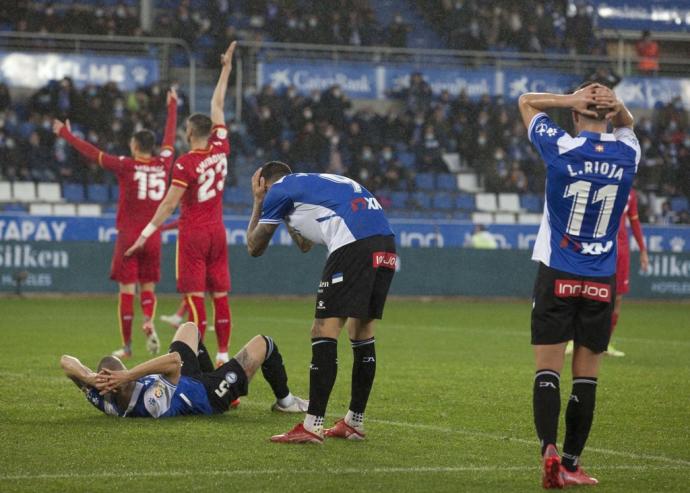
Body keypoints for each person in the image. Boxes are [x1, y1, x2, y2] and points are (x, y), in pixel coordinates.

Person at [518, 82, 639, 487]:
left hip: (558, 272)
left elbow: (526, 102)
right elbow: (629, 123)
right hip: (600, 279)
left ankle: (548, 450)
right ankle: (571, 464)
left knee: (546, 372)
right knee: (586, 379)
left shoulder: (561, 148)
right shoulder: (628, 154)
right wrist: (613, 105)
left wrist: (569, 99)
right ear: (609, 114)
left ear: (574, 114)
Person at [246, 163, 396, 444]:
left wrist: (258, 202)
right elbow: (305, 245)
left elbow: (254, 247)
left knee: (322, 330)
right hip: (386, 243)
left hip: (352, 245)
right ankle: (354, 422)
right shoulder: (304, 187)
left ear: (263, 181)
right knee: (361, 331)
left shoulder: (277, 191)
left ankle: (312, 425)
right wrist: (284, 215)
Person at [126, 41, 236, 367]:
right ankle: (222, 354)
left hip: (194, 234)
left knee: (194, 297)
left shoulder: (187, 163)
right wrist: (226, 68)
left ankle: (197, 358)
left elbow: (169, 204)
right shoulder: (221, 146)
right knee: (221, 295)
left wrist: (145, 233)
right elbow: (218, 103)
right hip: (218, 231)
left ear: (189, 132)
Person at [53, 89, 178, 359]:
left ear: (134, 147)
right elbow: (169, 138)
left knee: (125, 291)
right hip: (153, 235)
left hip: (129, 235)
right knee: (148, 288)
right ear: (152, 147)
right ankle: (148, 319)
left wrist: (66, 134)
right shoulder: (164, 163)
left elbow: (93, 153)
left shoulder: (126, 165)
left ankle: (128, 346)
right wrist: (173, 107)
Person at [61, 322, 308, 418]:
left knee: (189, 328)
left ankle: (216, 378)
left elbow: (66, 361)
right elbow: (174, 361)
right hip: (207, 396)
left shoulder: (104, 398)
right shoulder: (150, 402)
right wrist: (127, 374)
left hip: (185, 379)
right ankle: (285, 402)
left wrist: (89, 378)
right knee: (264, 343)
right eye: (124, 375)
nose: (125, 374)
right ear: (121, 384)